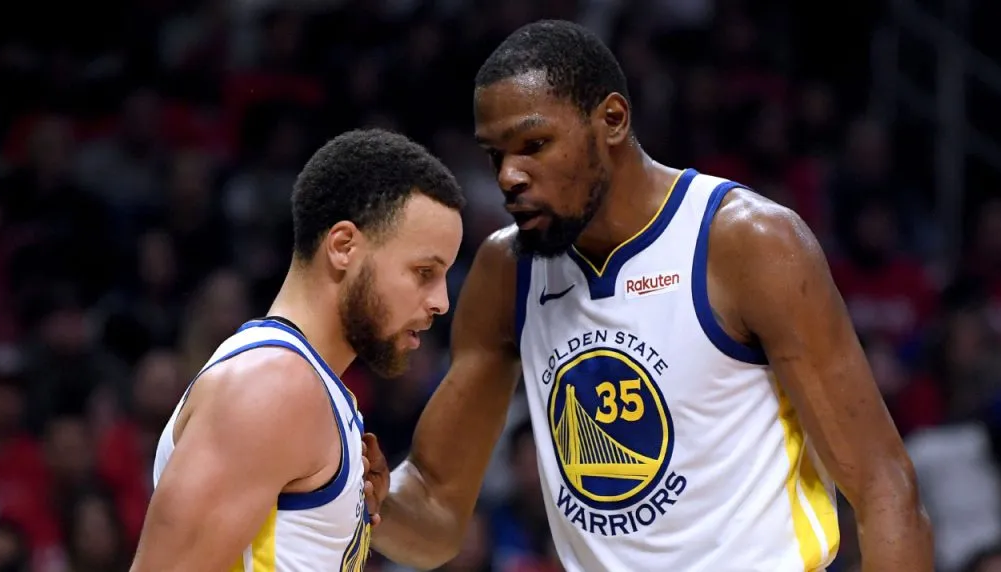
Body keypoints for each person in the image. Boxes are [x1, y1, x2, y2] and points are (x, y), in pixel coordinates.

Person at [364, 20, 934, 571]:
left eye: (534, 143)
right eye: (495, 155)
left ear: (611, 119)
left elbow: (884, 487)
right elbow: (437, 513)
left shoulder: (746, 243)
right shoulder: (506, 270)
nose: (510, 175)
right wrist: (363, 498)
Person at [130, 128, 465, 571]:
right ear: (344, 247)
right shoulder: (273, 386)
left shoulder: (311, 389)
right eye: (424, 271)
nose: (441, 301)